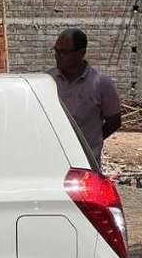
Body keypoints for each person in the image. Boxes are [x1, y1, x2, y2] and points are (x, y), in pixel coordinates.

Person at [47, 28, 122, 165]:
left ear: (81, 53)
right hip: (52, 159)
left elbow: (114, 121)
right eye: (56, 51)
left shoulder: (101, 84)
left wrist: (87, 143)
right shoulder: (47, 80)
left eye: (64, 52)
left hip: (85, 162)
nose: (57, 56)